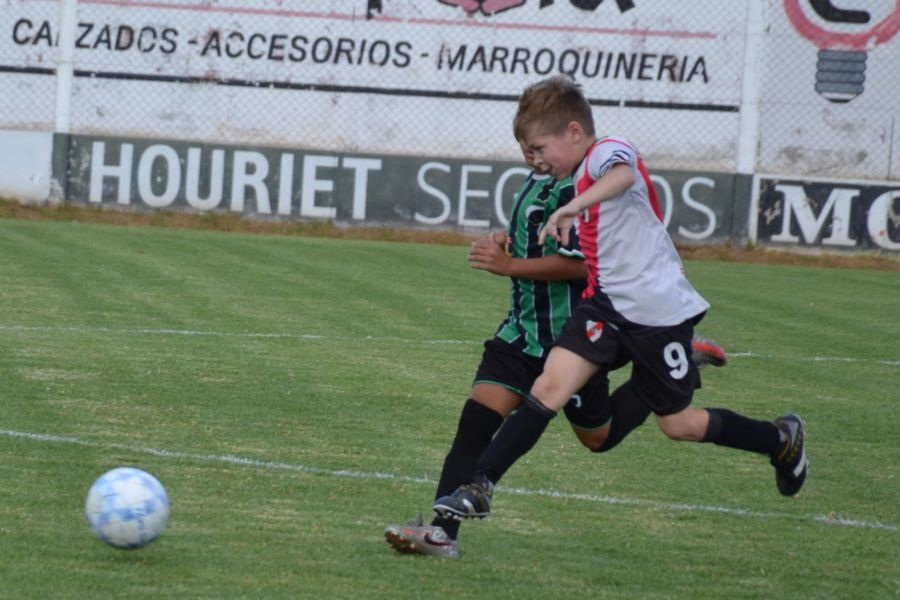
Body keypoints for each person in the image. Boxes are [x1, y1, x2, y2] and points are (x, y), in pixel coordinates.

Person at [432, 75, 807, 525]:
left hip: (659, 312)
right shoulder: (570, 178)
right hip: (604, 306)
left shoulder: (606, 150)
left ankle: (780, 439)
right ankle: (480, 487)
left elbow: (623, 175)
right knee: (549, 386)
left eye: (541, 148)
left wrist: (573, 206)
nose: (536, 159)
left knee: (679, 425)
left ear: (574, 132)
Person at [385, 136, 728, 558]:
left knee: (598, 438)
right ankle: (441, 535)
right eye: (525, 149)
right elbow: (534, 233)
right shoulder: (537, 181)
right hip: (521, 334)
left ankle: (675, 360)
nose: (532, 158)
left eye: (537, 147)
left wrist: (510, 265)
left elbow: (583, 263)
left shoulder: (583, 188)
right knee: (474, 424)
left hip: (576, 340)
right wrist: (505, 240)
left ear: (566, 137)